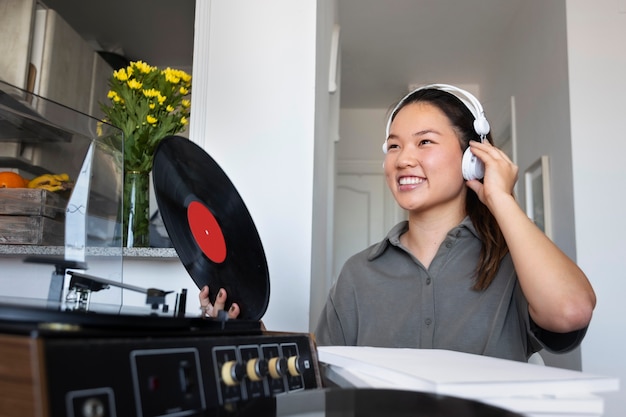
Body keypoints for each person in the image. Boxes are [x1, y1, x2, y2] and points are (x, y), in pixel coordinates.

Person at [314, 84, 596, 362]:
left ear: (471, 158)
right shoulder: (357, 274)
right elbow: (323, 382)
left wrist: (500, 198)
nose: (403, 159)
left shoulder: (514, 265)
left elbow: (570, 311)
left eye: (424, 142)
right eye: (394, 146)